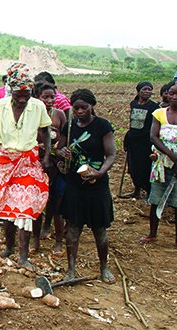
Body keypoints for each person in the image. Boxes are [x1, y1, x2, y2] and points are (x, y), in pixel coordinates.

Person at [0, 63, 52, 269]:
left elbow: (46, 132)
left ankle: (23, 257)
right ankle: (9, 247)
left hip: (29, 161)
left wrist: (47, 156)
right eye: (18, 93)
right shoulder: (0, 106)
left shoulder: (38, 106)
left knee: (25, 208)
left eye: (27, 93)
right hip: (7, 161)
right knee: (7, 208)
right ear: (10, 90)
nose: (23, 97)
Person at [56, 89, 116, 283]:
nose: (80, 111)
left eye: (84, 107)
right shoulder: (70, 126)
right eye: (76, 108)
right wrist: (62, 151)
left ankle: (104, 267)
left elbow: (111, 154)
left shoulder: (102, 126)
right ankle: (71, 269)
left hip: (97, 185)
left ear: (92, 106)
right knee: (73, 229)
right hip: (75, 185)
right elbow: (59, 149)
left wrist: (100, 172)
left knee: (100, 230)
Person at [139, 80, 177, 252]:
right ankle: (152, 234)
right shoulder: (158, 113)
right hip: (160, 163)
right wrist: (172, 156)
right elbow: (153, 137)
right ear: (166, 94)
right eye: (171, 93)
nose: (174, 96)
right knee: (155, 199)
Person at [32, 81, 67, 254]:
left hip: (57, 164)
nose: (49, 100)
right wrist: (40, 146)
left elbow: (65, 137)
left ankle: (59, 242)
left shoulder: (59, 114)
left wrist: (56, 149)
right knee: (37, 205)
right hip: (37, 163)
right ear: (37, 97)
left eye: (52, 96)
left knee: (57, 205)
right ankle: (35, 240)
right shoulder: (31, 114)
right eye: (45, 97)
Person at [124, 81, 158, 198]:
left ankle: (149, 192)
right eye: (145, 89)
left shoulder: (154, 106)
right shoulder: (133, 103)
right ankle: (136, 189)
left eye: (149, 89)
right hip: (133, 140)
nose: (147, 92)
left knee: (145, 166)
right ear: (138, 91)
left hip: (146, 141)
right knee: (133, 166)